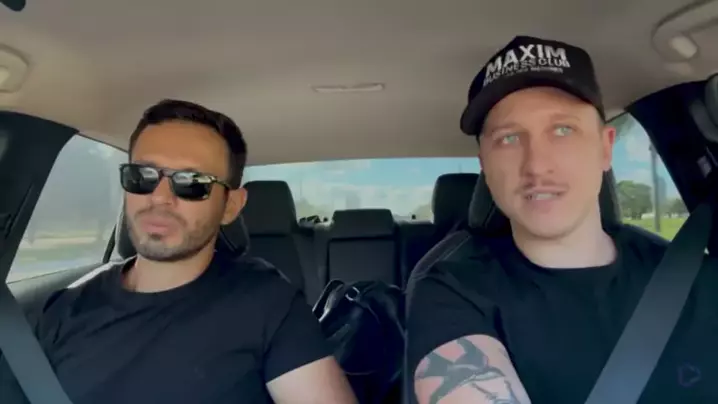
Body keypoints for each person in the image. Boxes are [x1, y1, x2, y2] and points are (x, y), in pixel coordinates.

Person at [406, 36, 718, 404]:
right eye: (508, 138)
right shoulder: (451, 293)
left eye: (563, 130)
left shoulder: (699, 278)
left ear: (605, 148)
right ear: (484, 165)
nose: (537, 165)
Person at [0, 100, 357, 404]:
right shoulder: (60, 310)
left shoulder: (268, 304)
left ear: (231, 205)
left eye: (192, 183)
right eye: (142, 176)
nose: (159, 198)